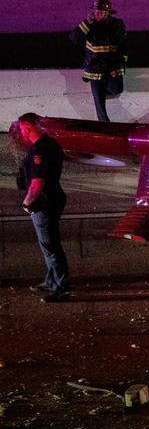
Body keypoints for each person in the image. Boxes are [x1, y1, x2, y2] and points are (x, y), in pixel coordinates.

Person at [14, 113, 70, 303]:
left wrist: (27, 202)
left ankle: (61, 287)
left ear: (27, 128)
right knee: (48, 244)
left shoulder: (39, 150)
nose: (21, 133)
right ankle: (51, 279)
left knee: (50, 246)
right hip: (54, 198)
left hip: (43, 203)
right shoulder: (50, 143)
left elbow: (38, 182)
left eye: (22, 129)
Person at [68, 0, 126, 122]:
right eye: (95, 11)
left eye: (100, 12)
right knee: (99, 103)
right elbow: (74, 38)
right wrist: (87, 23)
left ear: (107, 12)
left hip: (112, 67)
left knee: (117, 89)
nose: (97, 14)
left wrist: (123, 60)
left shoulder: (117, 24)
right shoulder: (88, 25)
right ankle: (105, 127)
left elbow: (122, 43)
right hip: (94, 68)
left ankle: (103, 91)